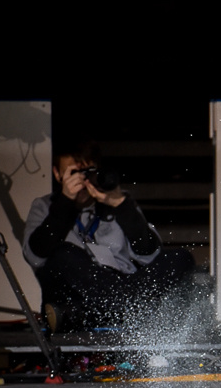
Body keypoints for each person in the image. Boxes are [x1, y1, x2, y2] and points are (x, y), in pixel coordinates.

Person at [22, 140, 195, 333]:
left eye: (87, 173)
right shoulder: (45, 206)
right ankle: (130, 310)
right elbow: (35, 256)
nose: (81, 182)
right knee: (63, 255)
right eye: (74, 174)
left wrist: (120, 204)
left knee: (181, 258)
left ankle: (116, 309)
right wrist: (65, 203)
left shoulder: (117, 203)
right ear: (57, 174)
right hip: (76, 296)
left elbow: (149, 254)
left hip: (122, 287)